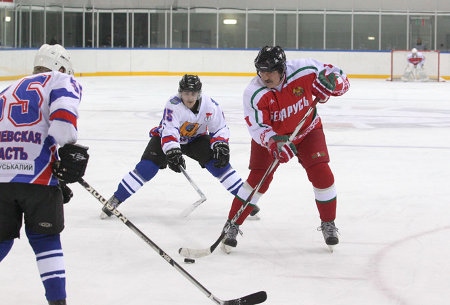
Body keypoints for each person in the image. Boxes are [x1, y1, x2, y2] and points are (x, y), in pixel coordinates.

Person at [220, 46, 350, 253]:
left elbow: (340, 77)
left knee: (322, 174)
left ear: (282, 69)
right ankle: (232, 224)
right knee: (258, 181)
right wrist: (273, 142)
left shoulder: (306, 69)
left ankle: (328, 223)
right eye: (260, 71)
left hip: (308, 130)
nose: (265, 76)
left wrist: (333, 86)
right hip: (273, 137)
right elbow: (257, 127)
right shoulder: (254, 92)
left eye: (270, 71)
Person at [0, 44, 89, 305]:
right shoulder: (60, 79)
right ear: (61, 67)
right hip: (37, 178)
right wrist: (66, 154)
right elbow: (63, 127)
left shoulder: (6, 89)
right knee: (45, 238)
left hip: (1, 179)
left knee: (2, 238)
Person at [100, 74, 259, 219]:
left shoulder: (210, 106)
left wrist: (221, 144)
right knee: (147, 167)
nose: (189, 98)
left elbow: (220, 128)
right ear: (180, 93)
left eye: (193, 93)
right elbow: (170, 131)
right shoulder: (173, 104)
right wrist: (173, 152)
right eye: (186, 93)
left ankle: (245, 200)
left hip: (196, 139)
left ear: (199, 93)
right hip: (167, 139)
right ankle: (116, 198)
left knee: (219, 164)